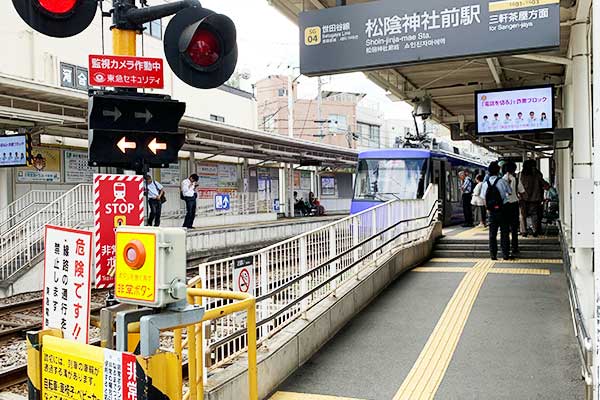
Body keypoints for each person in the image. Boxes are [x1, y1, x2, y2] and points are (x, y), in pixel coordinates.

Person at [481, 162, 512, 260]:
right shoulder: (502, 181)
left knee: (492, 234)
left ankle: (493, 255)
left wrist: (488, 209)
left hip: (492, 212)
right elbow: (510, 192)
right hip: (503, 210)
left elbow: (483, 198)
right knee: (504, 233)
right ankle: (505, 254)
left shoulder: (485, 184)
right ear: (498, 170)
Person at [519, 160, 547, 237]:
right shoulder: (537, 175)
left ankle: (524, 231)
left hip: (523, 198)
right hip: (534, 199)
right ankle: (535, 230)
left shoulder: (520, 175)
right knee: (534, 215)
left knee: (522, 215)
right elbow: (544, 184)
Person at [503, 161, 525, 255]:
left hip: (504, 206)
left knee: (505, 228)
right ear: (514, 169)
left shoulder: (501, 179)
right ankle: (515, 248)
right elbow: (522, 191)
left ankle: (506, 249)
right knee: (514, 228)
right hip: (514, 205)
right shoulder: (516, 179)